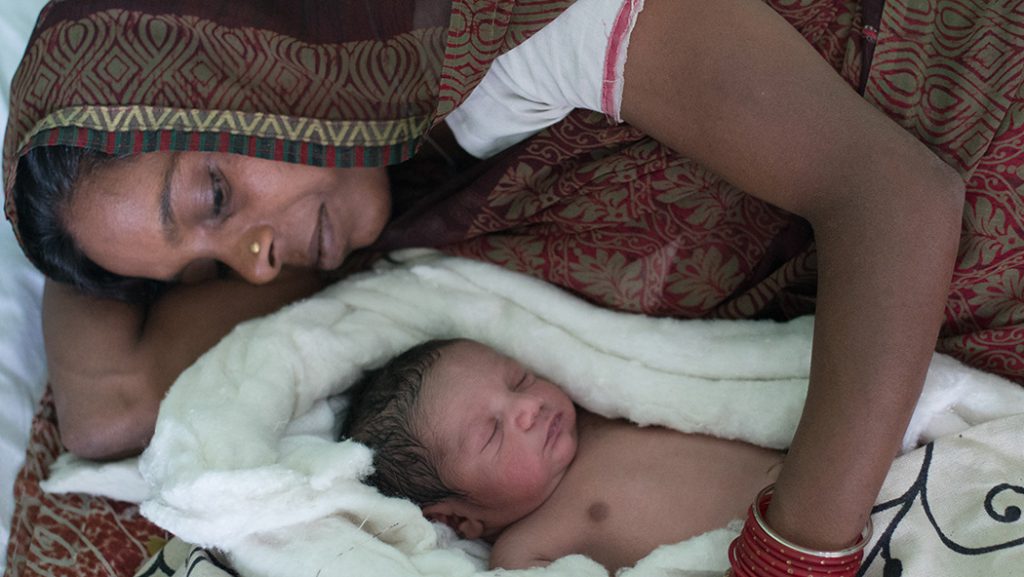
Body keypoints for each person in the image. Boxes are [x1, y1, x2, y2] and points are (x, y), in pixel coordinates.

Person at [10, 0, 1019, 568]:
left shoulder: (523, 20)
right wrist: (55, 179)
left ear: (236, 58)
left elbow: (895, 192)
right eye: (202, 270)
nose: (260, 264)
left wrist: (797, 549)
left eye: (217, 192)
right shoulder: (358, 134)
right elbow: (113, 408)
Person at [342, 338, 786, 572]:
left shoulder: (601, 410)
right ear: (458, 520)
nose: (528, 407)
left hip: (825, 474)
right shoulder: (524, 550)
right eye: (493, 433)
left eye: (520, 380)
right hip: (791, 557)